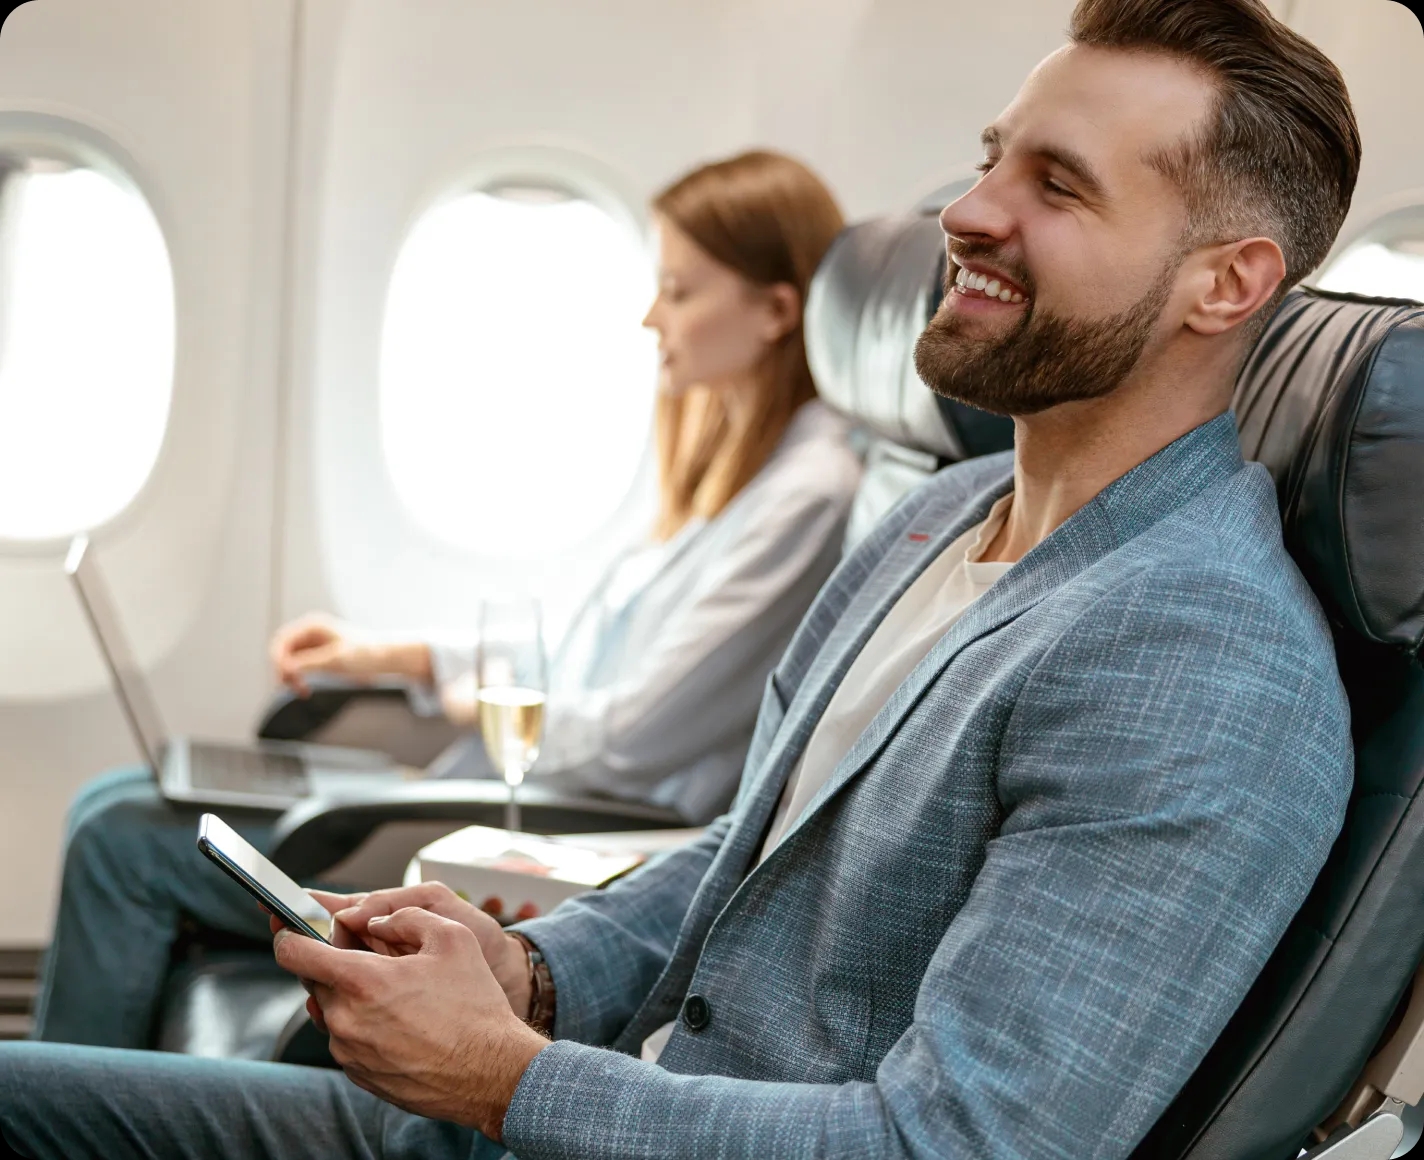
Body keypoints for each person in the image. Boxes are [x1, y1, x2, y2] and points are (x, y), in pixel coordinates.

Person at [0, 0, 1362, 1155]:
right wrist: (526, 969)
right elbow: (737, 851)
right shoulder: (944, 515)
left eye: (1056, 187)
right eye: (991, 160)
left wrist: (506, 1078)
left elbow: (955, 1145)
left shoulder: (1200, 657)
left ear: (1226, 286)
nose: (967, 212)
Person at [30, 150, 860, 1050]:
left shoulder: (806, 497)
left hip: (559, 833)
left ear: (777, 311)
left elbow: (628, 737)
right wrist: (392, 659)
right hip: (498, 789)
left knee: (118, 840)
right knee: (113, 796)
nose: (650, 315)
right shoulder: (731, 470)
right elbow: (579, 657)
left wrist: (478, 706)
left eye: (679, 290)